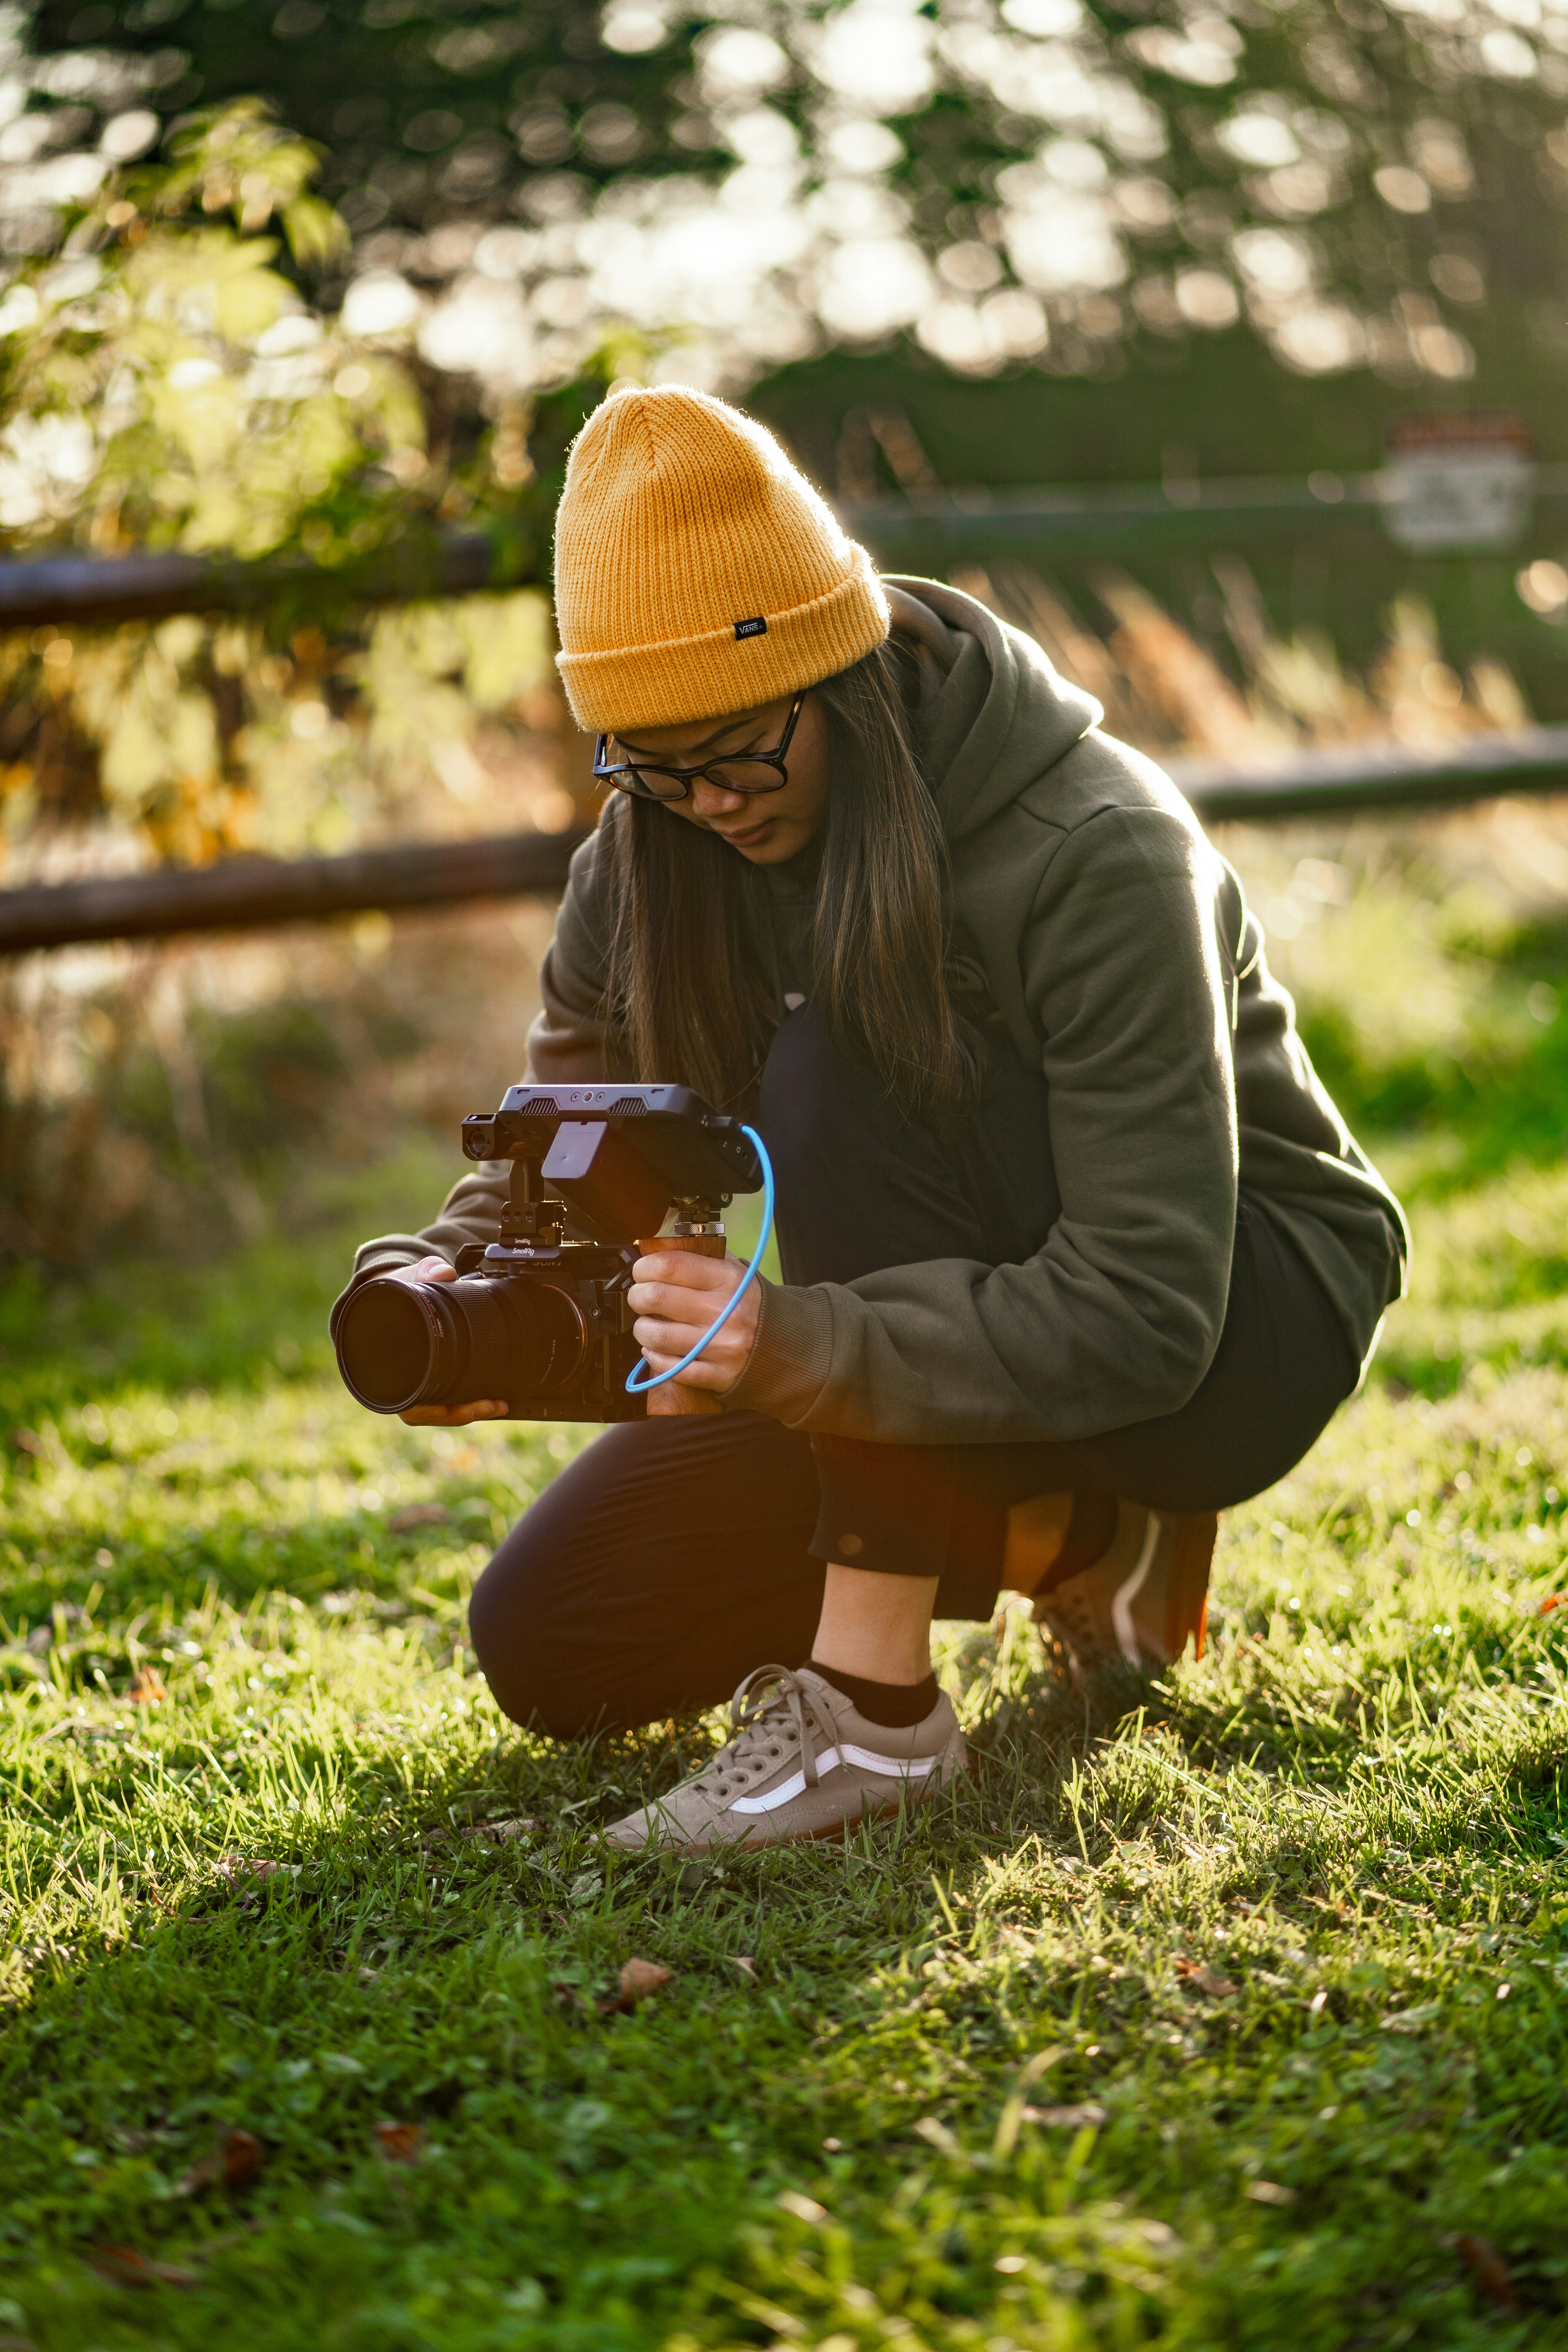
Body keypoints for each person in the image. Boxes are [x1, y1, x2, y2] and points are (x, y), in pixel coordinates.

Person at [333, 385, 1406, 1855]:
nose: (704, 804)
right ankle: (1085, 1540)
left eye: (736, 752)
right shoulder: (651, 843)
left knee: (833, 1060)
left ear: (840, 679)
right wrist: (466, 1282)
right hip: (940, 1302)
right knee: (558, 1635)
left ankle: (875, 1713)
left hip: (1230, 1318)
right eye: (649, 763)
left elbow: (1154, 1305)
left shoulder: (1099, 848)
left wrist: (801, 1350)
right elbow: (572, 1122)